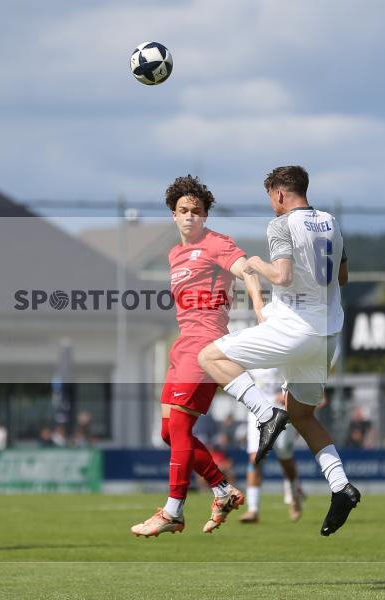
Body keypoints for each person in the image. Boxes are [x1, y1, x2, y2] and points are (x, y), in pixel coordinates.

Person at [198, 165, 360, 537]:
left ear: (280, 194)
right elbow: (343, 278)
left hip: (294, 331)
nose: (271, 205)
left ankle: (264, 412)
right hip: (327, 336)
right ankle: (341, 486)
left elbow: (283, 276)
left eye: (270, 197)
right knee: (302, 416)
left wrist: (255, 264)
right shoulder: (332, 222)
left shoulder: (281, 225)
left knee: (209, 357)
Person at [130, 175, 269, 538]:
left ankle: (173, 509)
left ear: (205, 216)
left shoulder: (217, 243)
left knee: (178, 427)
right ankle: (222, 490)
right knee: (167, 431)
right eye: (183, 211)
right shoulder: (174, 254)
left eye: (197, 211)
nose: (190, 217)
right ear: (173, 216)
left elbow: (248, 271)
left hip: (206, 344)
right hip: (182, 345)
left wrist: (259, 309)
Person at [239, 368, 305, 524]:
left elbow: (301, 375)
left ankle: (295, 494)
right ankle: (253, 510)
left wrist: (290, 396)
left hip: (282, 410)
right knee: (255, 458)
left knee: (285, 459)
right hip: (257, 411)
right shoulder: (251, 352)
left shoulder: (285, 351)